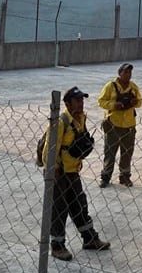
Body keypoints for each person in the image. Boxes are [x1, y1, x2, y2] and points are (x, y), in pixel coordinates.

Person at [43, 86, 110, 261]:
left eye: (82, 100)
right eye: (77, 100)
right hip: (60, 173)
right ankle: (57, 246)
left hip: (73, 171)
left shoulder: (80, 119)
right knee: (59, 210)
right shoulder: (61, 121)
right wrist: (51, 171)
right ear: (67, 103)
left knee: (80, 205)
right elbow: (48, 150)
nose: (81, 103)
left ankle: (89, 239)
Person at [98, 62, 142, 188]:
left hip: (129, 125)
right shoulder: (110, 86)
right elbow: (101, 101)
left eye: (130, 72)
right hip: (113, 124)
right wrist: (113, 105)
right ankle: (105, 177)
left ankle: (124, 177)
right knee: (110, 152)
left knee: (127, 153)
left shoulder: (133, 87)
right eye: (125, 72)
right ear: (119, 73)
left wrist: (135, 102)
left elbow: (140, 101)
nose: (128, 75)